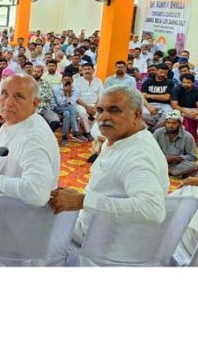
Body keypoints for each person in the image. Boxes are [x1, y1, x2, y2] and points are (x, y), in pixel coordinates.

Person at [49, 85, 169, 265]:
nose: (103, 117)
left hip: (101, 246)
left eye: (114, 110)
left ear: (137, 115)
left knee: (28, 228)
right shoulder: (121, 141)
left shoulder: (138, 155)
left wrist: (83, 201)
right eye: (100, 110)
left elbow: (152, 209)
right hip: (98, 230)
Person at [0, 74, 61, 207]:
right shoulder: (13, 123)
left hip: (21, 219)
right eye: (4, 94)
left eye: (18, 96)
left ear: (35, 103)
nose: (8, 103)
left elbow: (37, 193)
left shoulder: (34, 137)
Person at [153, 110, 198, 178]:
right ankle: (172, 172)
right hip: (159, 161)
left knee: (193, 165)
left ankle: (165, 171)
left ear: (179, 124)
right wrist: (163, 158)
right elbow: (150, 150)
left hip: (176, 164)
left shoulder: (188, 137)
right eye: (168, 122)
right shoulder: (158, 133)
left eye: (174, 123)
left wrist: (176, 158)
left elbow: (193, 157)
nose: (170, 125)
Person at [171, 72, 198, 148]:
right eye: (184, 82)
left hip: (193, 110)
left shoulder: (197, 90)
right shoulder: (176, 89)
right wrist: (186, 112)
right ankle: (180, 140)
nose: (186, 84)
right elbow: (174, 105)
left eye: (188, 82)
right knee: (175, 114)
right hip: (180, 109)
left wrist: (197, 112)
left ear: (193, 83)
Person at [51, 74, 89, 145]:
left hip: (67, 109)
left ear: (72, 81)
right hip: (55, 107)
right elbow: (60, 103)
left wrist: (69, 93)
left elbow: (71, 102)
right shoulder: (56, 89)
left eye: (69, 80)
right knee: (71, 109)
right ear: (62, 81)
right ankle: (75, 131)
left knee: (67, 113)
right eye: (65, 80)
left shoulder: (76, 90)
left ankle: (64, 136)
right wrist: (65, 93)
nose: (67, 81)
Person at [73, 62, 103, 136]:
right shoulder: (77, 81)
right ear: (82, 71)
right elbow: (75, 97)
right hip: (81, 104)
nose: (87, 71)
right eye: (85, 69)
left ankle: (92, 130)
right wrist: (87, 107)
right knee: (82, 113)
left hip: (95, 104)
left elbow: (101, 96)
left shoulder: (99, 81)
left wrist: (95, 108)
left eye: (89, 69)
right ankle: (88, 132)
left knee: (101, 114)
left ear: (93, 70)